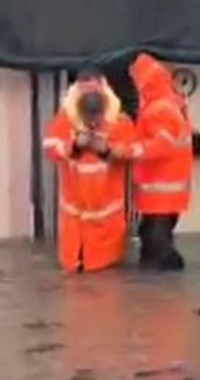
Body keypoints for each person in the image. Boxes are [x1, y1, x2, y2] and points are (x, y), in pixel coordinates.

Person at [42, 70, 137, 274]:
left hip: (107, 219)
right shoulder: (64, 119)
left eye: (96, 117)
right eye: (88, 118)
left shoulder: (120, 121)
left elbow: (132, 151)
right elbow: (50, 148)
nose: (93, 124)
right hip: (74, 218)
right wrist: (74, 145)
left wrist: (108, 151)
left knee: (105, 280)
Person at [128, 53, 194, 270]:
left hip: (162, 190)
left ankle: (166, 279)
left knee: (156, 241)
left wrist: (129, 151)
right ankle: (157, 275)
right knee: (150, 235)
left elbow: (161, 145)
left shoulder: (159, 109)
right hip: (165, 189)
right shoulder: (169, 103)